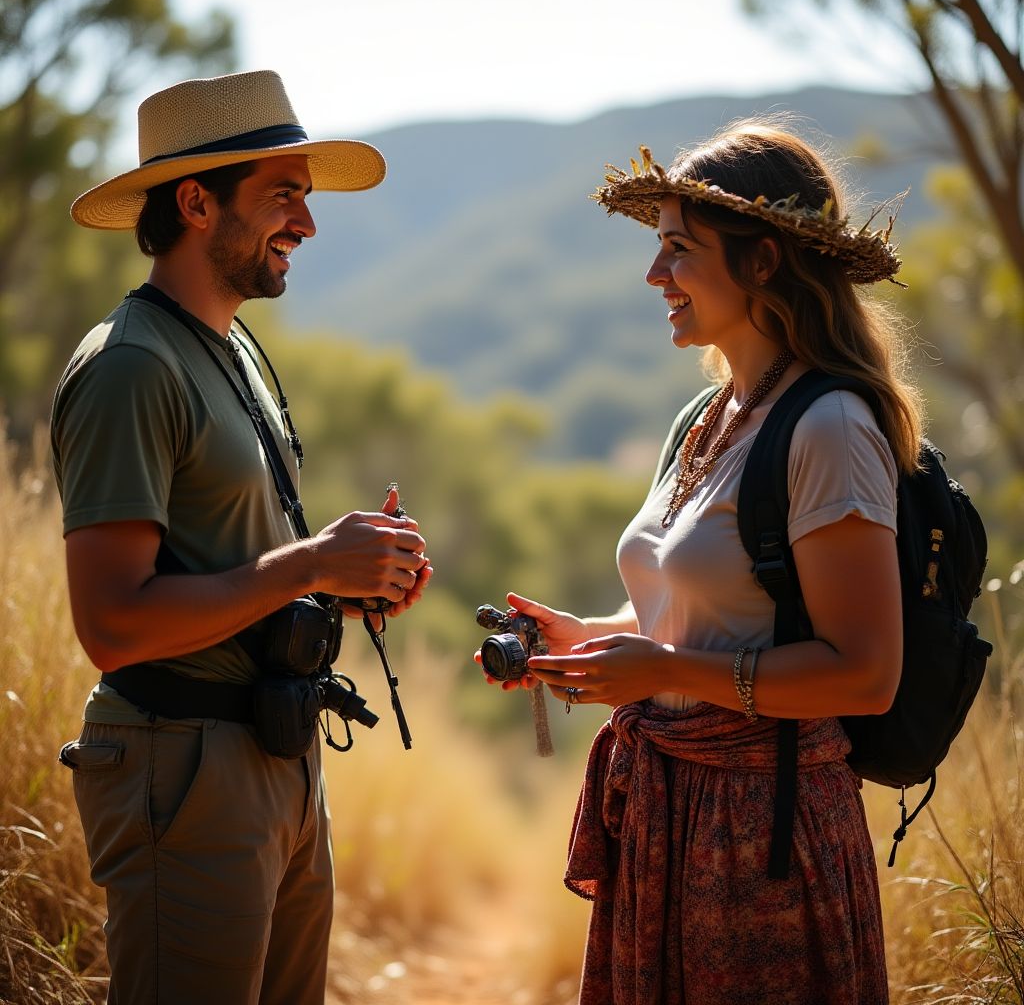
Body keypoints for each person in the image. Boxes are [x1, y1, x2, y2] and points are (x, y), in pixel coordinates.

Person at [488, 121, 922, 1004]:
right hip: (671, 815)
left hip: (765, 835)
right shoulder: (705, 417)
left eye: (680, 250)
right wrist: (584, 640)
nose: (656, 276)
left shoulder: (831, 429)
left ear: (763, 262)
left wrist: (663, 669)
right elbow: (694, 613)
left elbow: (867, 673)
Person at [51, 70, 432, 1004]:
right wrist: (309, 562)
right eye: (283, 195)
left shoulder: (230, 346)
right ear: (194, 202)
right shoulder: (131, 368)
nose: (306, 223)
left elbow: (231, 557)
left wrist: (350, 574)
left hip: (275, 757)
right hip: (182, 768)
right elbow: (111, 624)